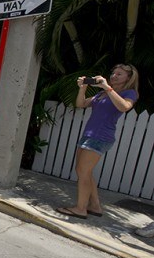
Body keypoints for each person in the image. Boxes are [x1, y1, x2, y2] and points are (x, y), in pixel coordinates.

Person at [57, 64, 139, 220]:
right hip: (89, 135)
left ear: (129, 78)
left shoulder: (129, 93)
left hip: (100, 137)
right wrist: (82, 88)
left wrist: (107, 87)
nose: (114, 76)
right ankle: (95, 206)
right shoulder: (102, 94)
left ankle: (81, 209)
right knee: (84, 171)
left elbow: (124, 107)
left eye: (119, 74)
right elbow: (80, 104)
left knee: (83, 172)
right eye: (113, 73)